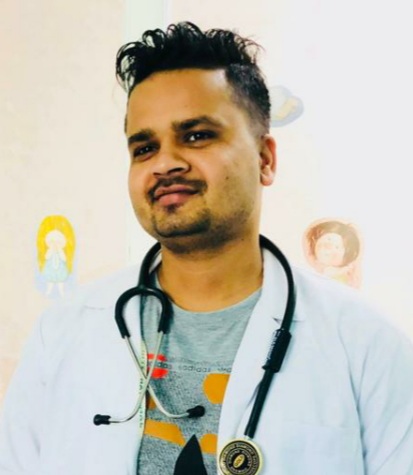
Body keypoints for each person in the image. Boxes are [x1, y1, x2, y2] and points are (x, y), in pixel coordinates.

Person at [1, 22, 413, 475]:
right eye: (144, 148)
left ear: (265, 159)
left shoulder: (366, 345)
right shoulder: (62, 333)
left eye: (196, 135)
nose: (165, 163)